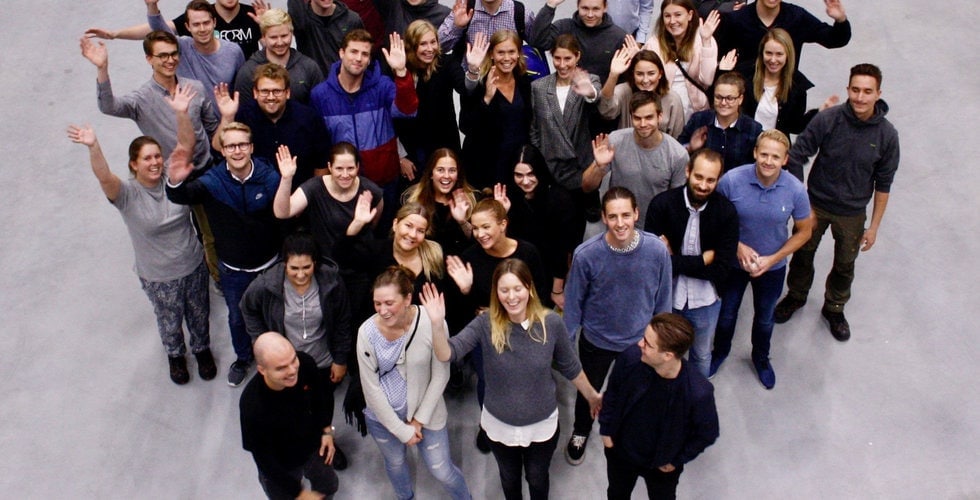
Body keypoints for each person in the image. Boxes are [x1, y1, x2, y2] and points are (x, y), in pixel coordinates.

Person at [66, 87, 214, 386]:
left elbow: (186, 144)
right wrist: (94, 147)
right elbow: (104, 177)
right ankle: (175, 355)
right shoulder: (126, 194)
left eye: (158, 156)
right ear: (134, 164)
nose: (155, 162)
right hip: (159, 276)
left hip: (192, 265)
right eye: (147, 158)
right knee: (169, 320)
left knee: (200, 314)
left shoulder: (173, 179)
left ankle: (202, 349)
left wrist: (182, 113)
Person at [424, 259, 603, 500]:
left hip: (541, 427)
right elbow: (447, 353)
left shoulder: (551, 323)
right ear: (496, 293)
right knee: (509, 479)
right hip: (500, 426)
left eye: (517, 288)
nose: (511, 297)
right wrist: (437, 325)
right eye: (504, 290)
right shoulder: (484, 324)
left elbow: (570, 366)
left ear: (529, 288)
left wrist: (592, 395)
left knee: (537, 478)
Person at [775, 63, 900, 341]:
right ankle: (796, 295)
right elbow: (797, 155)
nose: (860, 97)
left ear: (878, 94)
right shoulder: (828, 119)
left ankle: (834, 307)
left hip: (852, 213)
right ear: (848, 89)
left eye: (867, 91)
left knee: (845, 263)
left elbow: (884, 184)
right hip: (815, 204)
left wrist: (874, 227)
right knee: (802, 253)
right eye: (855, 90)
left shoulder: (887, 136)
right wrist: (801, 202)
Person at [166, 122, 283, 386]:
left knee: (274, 314)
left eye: (242, 144)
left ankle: (276, 358)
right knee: (237, 317)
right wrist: (174, 181)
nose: (237, 150)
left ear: (251, 147)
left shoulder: (269, 177)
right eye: (231, 146)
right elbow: (181, 195)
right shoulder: (212, 181)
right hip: (234, 270)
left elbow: (284, 213)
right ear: (223, 150)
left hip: (270, 265)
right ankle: (243, 358)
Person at [562, 186, 673, 465]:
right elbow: (573, 301)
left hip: (638, 341)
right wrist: (565, 344)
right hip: (596, 340)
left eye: (625, 215)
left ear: (636, 213)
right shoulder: (587, 255)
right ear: (603, 218)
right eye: (613, 216)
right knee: (588, 390)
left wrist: (661, 340)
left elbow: (663, 297)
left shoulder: (656, 251)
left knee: (636, 390)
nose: (620, 223)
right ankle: (581, 429)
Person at [240, 232, 353, 469]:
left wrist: (340, 358)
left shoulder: (331, 283)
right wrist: (262, 340)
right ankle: (303, 444)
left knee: (322, 401)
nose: (300, 274)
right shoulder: (267, 285)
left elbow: (343, 321)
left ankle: (326, 438)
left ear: (315, 263)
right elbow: (247, 308)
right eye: (294, 268)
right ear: (284, 264)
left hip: (322, 361)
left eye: (306, 267)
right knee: (294, 406)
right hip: (287, 364)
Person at [710, 129, 814, 389]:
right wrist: (737, 247)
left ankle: (761, 358)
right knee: (726, 313)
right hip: (733, 264)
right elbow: (713, 220)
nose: (768, 161)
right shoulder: (732, 181)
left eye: (775, 157)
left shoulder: (795, 190)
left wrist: (773, 259)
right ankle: (719, 351)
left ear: (785, 159)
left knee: (765, 317)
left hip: (772, 267)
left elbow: (805, 231)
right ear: (755, 153)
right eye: (764, 154)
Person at [357, 267, 471, 500]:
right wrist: (401, 430)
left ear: (408, 298)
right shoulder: (366, 333)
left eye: (389, 303)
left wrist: (418, 421)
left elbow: (441, 375)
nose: (383, 310)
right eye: (377, 304)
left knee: (442, 470)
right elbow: (370, 389)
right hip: (382, 418)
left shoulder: (432, 321)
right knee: (395, 463)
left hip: (426, 414)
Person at [445, 199, 548, 452]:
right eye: (475, 228)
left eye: (485, 227)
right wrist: (466, 290)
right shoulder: (470, 257)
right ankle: (489, 424)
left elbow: (541, 298)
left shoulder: (528, 253)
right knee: (488, 382)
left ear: (503, 224)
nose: (479, 234)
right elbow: (463, 313)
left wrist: (501, 312)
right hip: (487, 337)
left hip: (524, 331)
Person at [598, 313, 720, 499]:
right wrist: (606, 431)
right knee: (617, 493)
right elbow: (612, 393)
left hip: (661, 465)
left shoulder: (697, 393)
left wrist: (676, 460)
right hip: (621, 453)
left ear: (667, 355)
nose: (640, 344)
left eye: (647, 343)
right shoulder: (631, 358)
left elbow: (707, 433)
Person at [310, 29, 419, 230]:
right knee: (349, 237)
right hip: (343, 183)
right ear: (341, 53)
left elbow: (408, 111)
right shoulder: (320, 94)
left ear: (369, 59)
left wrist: (402, 73)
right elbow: (319, 143)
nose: (359, 58)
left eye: (365, 54)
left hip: (384, 179)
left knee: (382, 235)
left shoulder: (382, 86)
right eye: (354, 52)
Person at [645, 149, 739, 377]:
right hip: (667, 296)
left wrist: (673, 260)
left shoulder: (727, 213)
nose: (703, 185)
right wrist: (704, 259)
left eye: (711, 180)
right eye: (699, 177)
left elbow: (722, 269)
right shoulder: (662, 205)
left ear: (718, 179)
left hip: (706, 300)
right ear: (688, 171)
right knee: (659, 352)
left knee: (702, 355)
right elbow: (652, 264)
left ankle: (696, 396)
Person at [274, 143, 384, 323]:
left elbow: (374, 223)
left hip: (358, 272)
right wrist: (286, 179)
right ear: (329, 167)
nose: (345, 174)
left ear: (358, 167)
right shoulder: (315, 187)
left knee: (355, 320)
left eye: (350, 168)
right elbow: (282, 212)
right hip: (325, 270)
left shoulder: (369, 190)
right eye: (339, 168)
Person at [239, 332, 339, 499]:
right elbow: (265, 460)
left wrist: (327, 431)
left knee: (328, 485)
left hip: (313, 445)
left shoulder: (304, 363)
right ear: (262, 370)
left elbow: (321, 397)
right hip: (282, 463)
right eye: (281, 368)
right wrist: (298, 493)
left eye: (293, 360)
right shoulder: (252, 406)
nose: (292, 370)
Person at [582, 91, 688, 231]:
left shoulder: (677, 155)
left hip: (654, 229)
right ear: (631, 117)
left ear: (660, 116)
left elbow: (676, 204)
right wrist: (599, 166)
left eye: (649, 117)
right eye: (637, 118)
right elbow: (587, 186)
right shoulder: (615, 141)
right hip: (620, 226)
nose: (643, 124)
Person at [529, 34, 600, 237]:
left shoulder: (589, 80)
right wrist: (544, 158)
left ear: (577, 56)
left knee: (582, 229)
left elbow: (595, 97)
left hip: (581, 168)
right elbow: (535, 129)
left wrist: (589, 91)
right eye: (557, 58)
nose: (562, 64)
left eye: (567, 58)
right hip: (551, 171)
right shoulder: (539, 87)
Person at [215, 64, 330, 190]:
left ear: (287, 93)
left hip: (299, 194)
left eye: (277, 91)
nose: (271, 97)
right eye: (265, 91)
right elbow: (218, 147)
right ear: (255, 93)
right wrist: (227, 117)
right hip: (255, 195)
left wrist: (314, 196)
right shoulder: (244, 115)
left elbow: (321, 164)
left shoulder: (308, 118)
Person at [501, 145, 579, 310]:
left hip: (548, 277)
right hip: (516, 276)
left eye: (531, 174)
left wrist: (557, 290)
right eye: (519, 175)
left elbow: (563, 251)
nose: (525, 181)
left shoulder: (559, 199)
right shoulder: (509, 198)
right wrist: (502, 214)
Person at [459, 30, 533, 189]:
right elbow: (465, 125)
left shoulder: (524, 81)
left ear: (518, 54)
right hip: (484, 168)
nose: (507, 58)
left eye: (511, 52)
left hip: (516, 168)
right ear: (491, 54)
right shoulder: (478, 83)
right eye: (501, 52)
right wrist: (486, 98)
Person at [714, 0, 850, 84]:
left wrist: (840, 20)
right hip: (745, 97)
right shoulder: (736, 20)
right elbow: (718, 58)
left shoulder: (796, 17)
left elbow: (834, 39)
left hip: (783, 96)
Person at [146, 0, 246, 110]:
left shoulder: (233, 52)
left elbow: (242, 89)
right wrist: (152, 5)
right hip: (190, 118)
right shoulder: (181, 47)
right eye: (196, 24)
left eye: (206, 23)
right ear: (188, 27)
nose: (202, 29)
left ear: (214, 22)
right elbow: (159, 29)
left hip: (225, 118)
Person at [738, 28, 837, 134]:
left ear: (787, 55)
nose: (773, 60)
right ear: (762, 53)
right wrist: (725, 72)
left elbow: (796, 126)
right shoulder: (744, 75)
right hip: (744, 141)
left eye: (779, 54)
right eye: (769, 53)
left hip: (776, 143)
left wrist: (820, 112)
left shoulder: (797, 85)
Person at [85, 0, 262, 59]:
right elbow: (156, 28)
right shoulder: (202, 16)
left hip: (246, 86)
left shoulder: (253, 14)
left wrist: (266, 25)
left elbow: (270, 46)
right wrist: (115, 34)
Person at [398, 20, 464, 173]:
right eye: (423, 44)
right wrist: (400, 155)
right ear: (412, 46)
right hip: (413, 154)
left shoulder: (446, 63)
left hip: (446, 147)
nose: (430, 49)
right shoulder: (401, 69)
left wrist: (473, 70)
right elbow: (392, 118)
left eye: (433, 42)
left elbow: (465, 89)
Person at [642, 0, 721, 120]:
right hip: (664, 111)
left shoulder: (703, 39)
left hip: (695, 110)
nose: (672, 21)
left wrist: (706, 41)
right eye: (667, 16)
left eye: (678, 15)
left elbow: (707, 80)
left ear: (690, 15)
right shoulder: (654, 43)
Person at [233, 8, 325, 105]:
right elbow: (243, 110)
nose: (280, 42)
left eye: (284, 36)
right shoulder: (249, 71)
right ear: (263, 37)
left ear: (292, 34)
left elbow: (320, 106)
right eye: (273, 37)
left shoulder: (309, 67)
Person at [401, 149, 482, 256]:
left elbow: (481, 241)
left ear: (458, 174)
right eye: (440, 170)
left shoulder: (472, 199)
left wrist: (462, 222)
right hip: (425, 260)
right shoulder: (412, 198)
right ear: (431, 174)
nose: (446, 176)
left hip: (462, 262)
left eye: (452, 170)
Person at [677, 72, 763, 172]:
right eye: (718, 97)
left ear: (740, 99)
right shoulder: (699, 120)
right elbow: (676, 154)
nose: (723, 103)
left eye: (729, 98)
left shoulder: (753, 129)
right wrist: (690, 148)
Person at [599, 43, 686, 136]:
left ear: (660, 74)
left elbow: (678, 136)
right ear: (633, 74)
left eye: (651, 73)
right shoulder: (624, 91)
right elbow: (606, 111)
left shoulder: (672, 99)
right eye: (639, 74)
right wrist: (613, 75)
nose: (645, 80)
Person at [530, 0, 628, 83]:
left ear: (605, 7)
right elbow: (538, 42)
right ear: (577, 6)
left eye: (596, 9)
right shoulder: (564, 27)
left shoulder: (619, 37)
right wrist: (550, 6)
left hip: (602, 94)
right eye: (585, 8)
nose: (590, 14)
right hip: (566, 93)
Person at [288, 0, 365, 75]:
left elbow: (363, 53)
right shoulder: (302, 18)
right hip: (314, 81)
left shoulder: (351, 20)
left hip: (344, 81)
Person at [437, 0, 536, 54]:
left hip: (510, 79)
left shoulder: (521, 13)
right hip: (471, 80)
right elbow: (438, 48)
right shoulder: (464, 9)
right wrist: (457, 27)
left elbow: (538, 46)